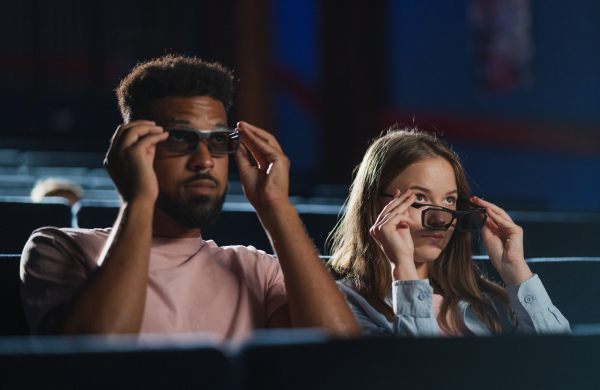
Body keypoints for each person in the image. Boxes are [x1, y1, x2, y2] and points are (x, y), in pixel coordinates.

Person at [20, 54, 359, 339]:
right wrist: (137, 199)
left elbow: (338, 353)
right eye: (181, 137)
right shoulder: (59, 248)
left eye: (217, 140)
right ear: (135, 148)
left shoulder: (257, 269)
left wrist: (277, 208)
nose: (205, 160)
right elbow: (97, 360)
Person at [328, 127, 571, 337]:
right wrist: (403, 267)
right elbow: (420, 374)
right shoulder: (342, 300)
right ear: (376, 204)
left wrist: (515, 269)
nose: (440, 220)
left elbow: (564, 366)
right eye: (420, 198)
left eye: (449, 200)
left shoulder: (485, 301)